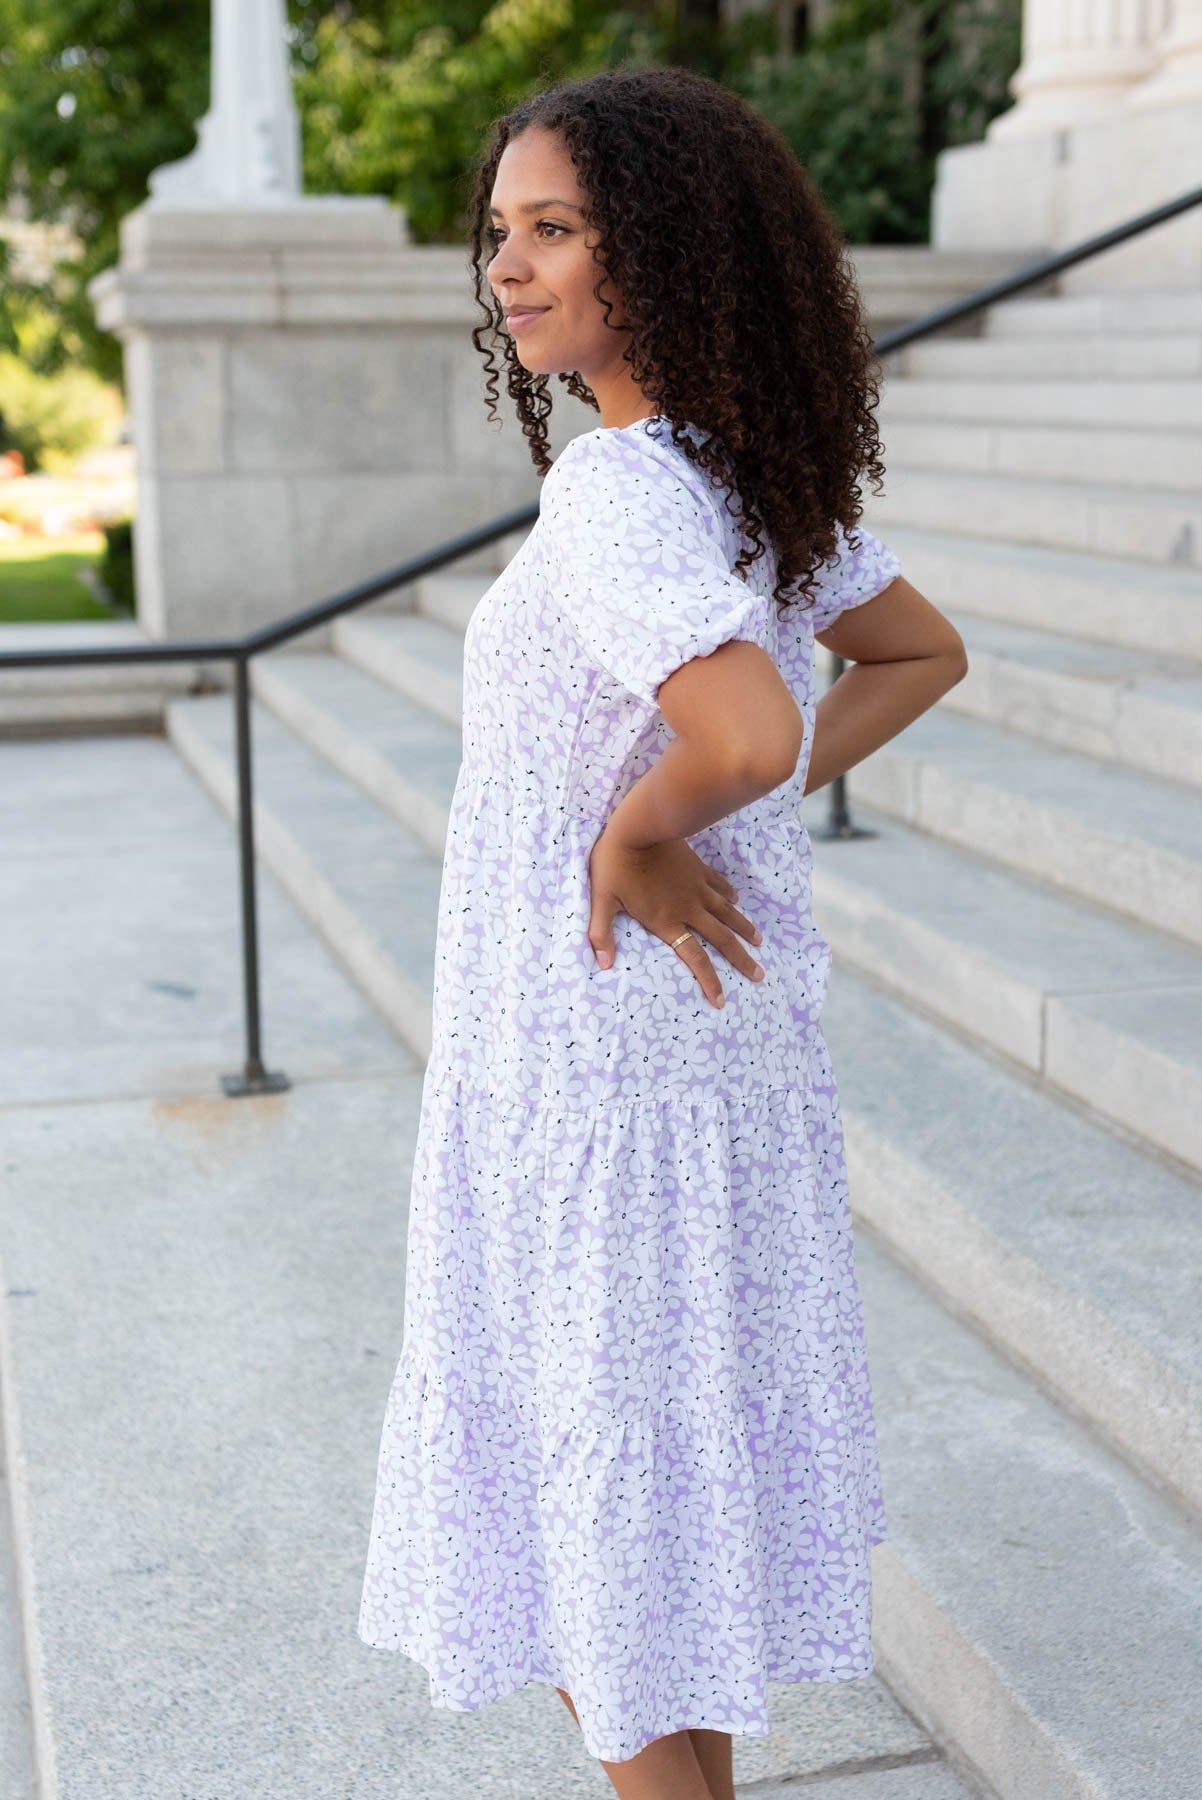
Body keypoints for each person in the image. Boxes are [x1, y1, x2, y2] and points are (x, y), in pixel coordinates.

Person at [358, 64, 968, 1800]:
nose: (510, 267)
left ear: (668, 252)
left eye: (555, 230)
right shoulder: (746, 473)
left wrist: (650, 825)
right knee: (613, 1556)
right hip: (675, 1057)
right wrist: (720, 803)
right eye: (502, 234)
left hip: (598, 1071)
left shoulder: (623, 491)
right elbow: (914, 656)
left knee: (589, 1556)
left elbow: (750, 734)